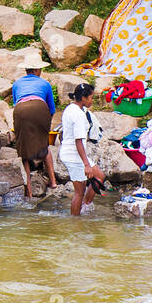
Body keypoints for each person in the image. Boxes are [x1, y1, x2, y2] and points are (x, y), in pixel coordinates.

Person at [11, 55, 58, 198]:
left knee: (23, 151)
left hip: (21, 111)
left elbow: (16, 104)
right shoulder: (45, 84)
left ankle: (29, 190)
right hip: (40, 108)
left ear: (26, 70)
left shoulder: (16, 84)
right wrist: (44, 126)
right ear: (37, 70)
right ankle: (53, 182)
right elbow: (51, 109)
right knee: (45, 146)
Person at [59, 83, 106, 216]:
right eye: (91, 98)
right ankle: (76, 221)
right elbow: (78, 141)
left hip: (72, 152)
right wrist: (86, 165)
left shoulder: (71, 108)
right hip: (74, 155)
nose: (92, 100)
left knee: (100, 176)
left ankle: (85, 206)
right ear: (83, 98)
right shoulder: (78, 116)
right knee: (79, 192)